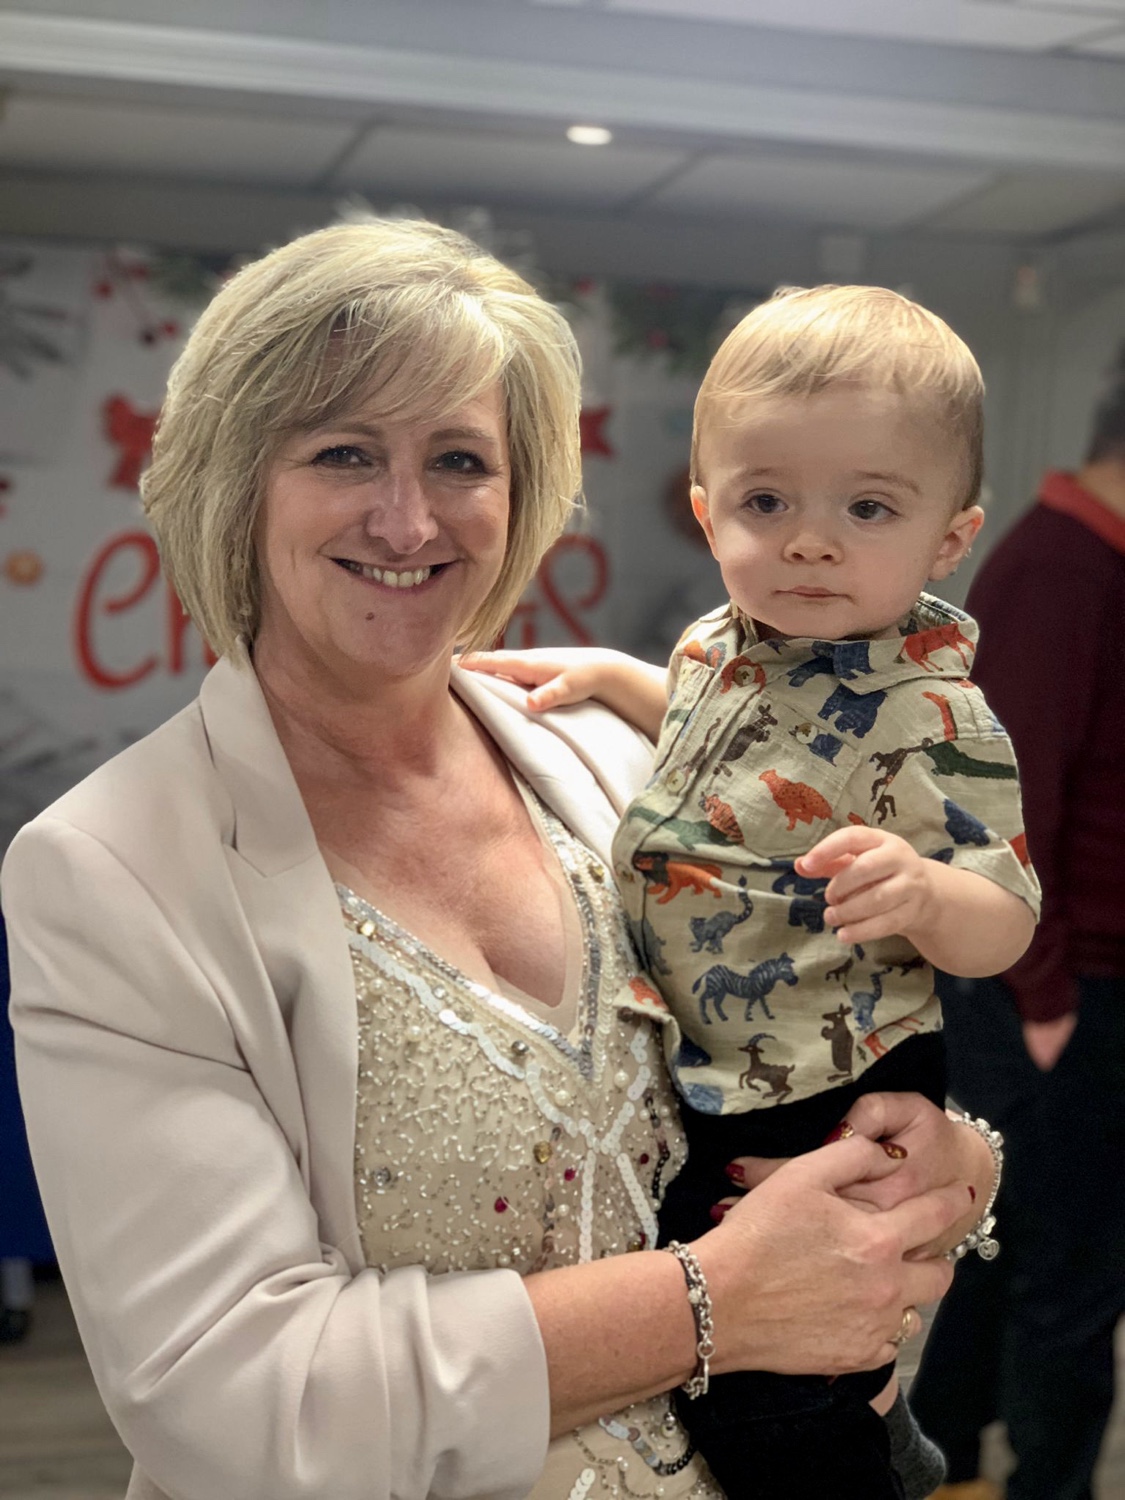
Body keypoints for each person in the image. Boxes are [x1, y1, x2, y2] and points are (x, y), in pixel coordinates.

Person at [1, 223, 992, 1500]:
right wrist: (713, 1301)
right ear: (235, 480)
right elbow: (234, 1393)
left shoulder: (615, 753)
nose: (408, 517)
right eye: (344, 452)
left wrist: (946, 1162)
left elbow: (810, 1030)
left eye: (460, 460)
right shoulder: (110, 867)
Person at [466, 285, 1039, 1500]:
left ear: (949, 540)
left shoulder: (937, 717)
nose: (809, 542)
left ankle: (872, 1466)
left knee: (781, 1383)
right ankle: (879, 1435)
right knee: (728, 1342)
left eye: (866, 508)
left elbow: (1007, 921)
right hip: (713, 1063)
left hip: (838, 1068)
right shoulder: (717, 646)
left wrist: (924, 892)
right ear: (705, 508)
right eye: (766, 502)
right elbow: (722, 740)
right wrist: (613, 676)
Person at [909, 345, 1125, 1500]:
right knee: (1069, 1277)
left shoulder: (1092, 556)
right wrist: (1043, 1003)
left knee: (1016, 1256)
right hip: (1059, 985)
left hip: (1065, 983)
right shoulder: (1060, 566)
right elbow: (1004, 805)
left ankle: (952, 1466)